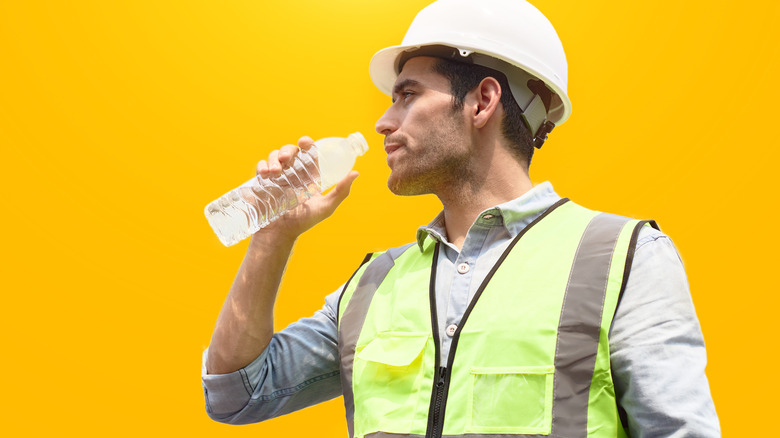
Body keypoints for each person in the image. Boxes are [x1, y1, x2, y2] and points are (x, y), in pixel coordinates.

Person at [201, 0, 720, 436]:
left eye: (407, 94)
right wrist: (271, 237)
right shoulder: (373, 286)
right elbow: (235, 395)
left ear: (483, 101)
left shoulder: (623, 260)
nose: (383, 122)